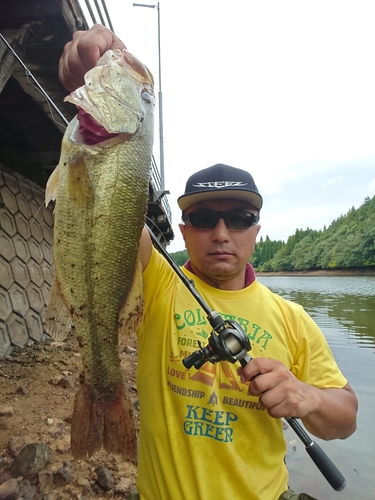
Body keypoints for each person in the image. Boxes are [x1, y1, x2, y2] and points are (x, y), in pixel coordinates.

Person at [58, 24, 358, 500]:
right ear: (182, 231)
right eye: (202, 217)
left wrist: (310, 396)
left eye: (239, 217)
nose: (221, 232)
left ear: (257, 229)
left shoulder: (293, 320)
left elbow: (345, 418)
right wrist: (92, 74)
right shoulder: (157, 280)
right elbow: (106, 221)